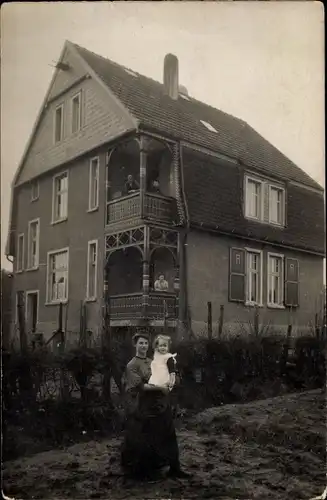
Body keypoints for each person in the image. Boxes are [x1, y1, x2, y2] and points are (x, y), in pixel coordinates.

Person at [121, 332, 189, 480]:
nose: (143, 346)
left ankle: (175, 468)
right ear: (135, 345)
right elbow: (141, 387)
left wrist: (171, 378)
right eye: (141, 343)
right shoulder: (132, 365)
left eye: (146, 343)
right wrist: (160, 388)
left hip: (160, 404)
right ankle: (148, 472)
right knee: (148, 439)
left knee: (170, 435)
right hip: (145, 406)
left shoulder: (153, 361)